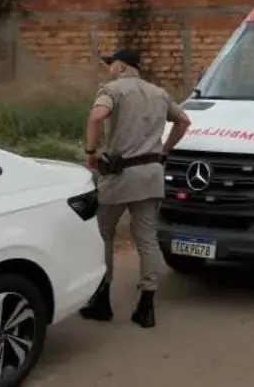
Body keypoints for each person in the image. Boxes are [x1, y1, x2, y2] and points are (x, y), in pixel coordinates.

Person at [78, 49, 192, 328]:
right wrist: (163, 151)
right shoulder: (158, 92)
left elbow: (96, 116)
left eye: (110, 63)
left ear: (121, 65)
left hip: (120, 174)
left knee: (103, 233)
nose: (108, 67)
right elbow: (183, 121)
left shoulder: (112, 90)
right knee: (146, 239)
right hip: (152, 174)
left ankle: (102, 299)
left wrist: (91, 151)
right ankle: (147, 305)